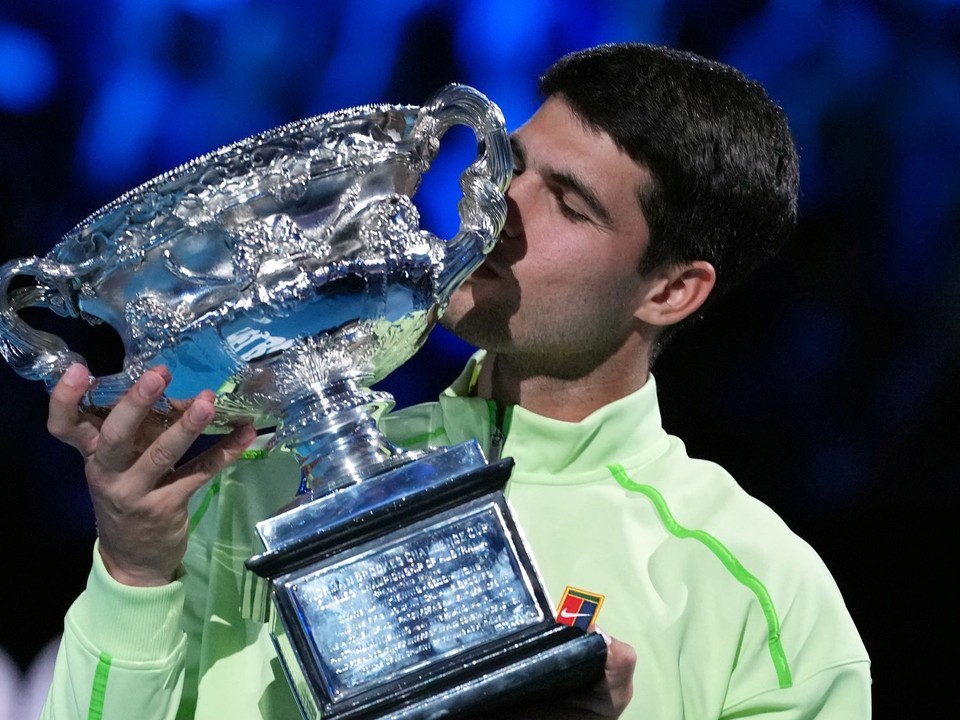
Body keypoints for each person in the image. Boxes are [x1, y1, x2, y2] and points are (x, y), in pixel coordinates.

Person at [39, 43, 870, 719]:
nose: (498, 203)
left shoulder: (757, 588)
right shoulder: (253, 485)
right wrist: (135, 571)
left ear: (671, 290)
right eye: (514, 164)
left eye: (570, 205)